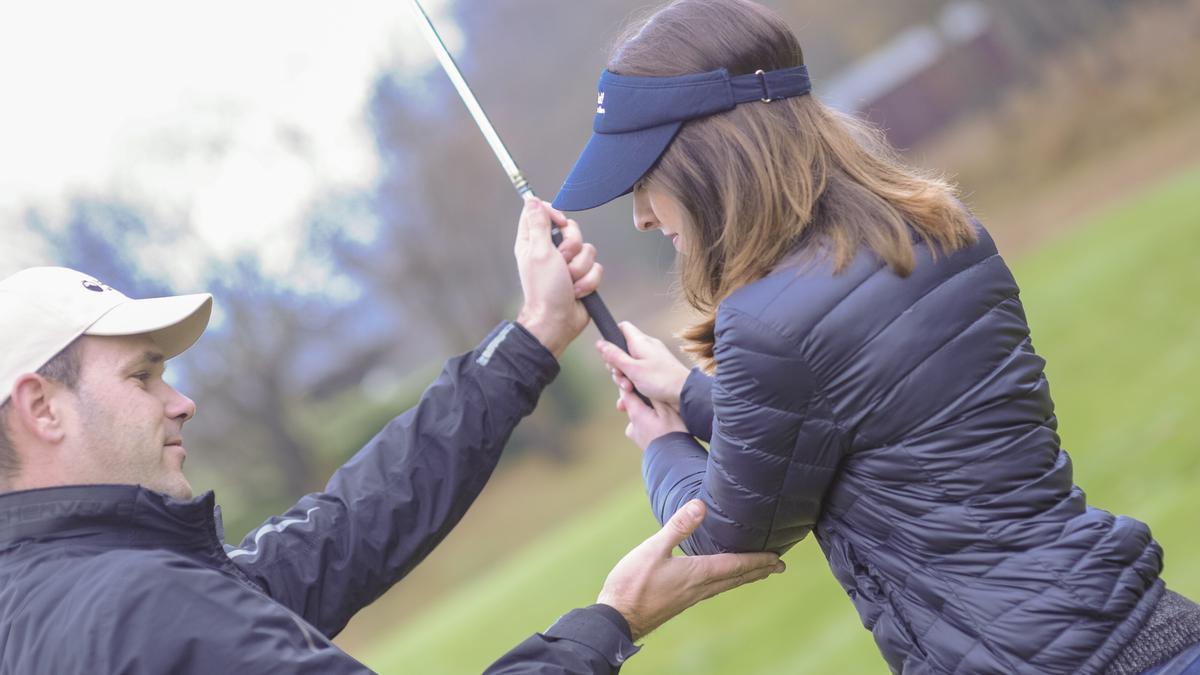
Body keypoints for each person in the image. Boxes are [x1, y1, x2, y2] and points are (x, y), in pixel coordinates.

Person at [551, 1, 1200, 673]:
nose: (640, 217)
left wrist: (662, 447)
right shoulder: (937, 231)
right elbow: (852, 426)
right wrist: (687, 393)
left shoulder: (769, 322)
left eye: (645, 178)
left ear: (709, 159)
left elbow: (729, 531)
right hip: (1151, 631)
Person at [0, 197, 784, 674]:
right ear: (41, 407)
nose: (181, 402)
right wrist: (610, 621)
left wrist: (534, 336)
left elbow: (341, 534)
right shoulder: (144, 606)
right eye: (143, 376)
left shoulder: (65, 596)